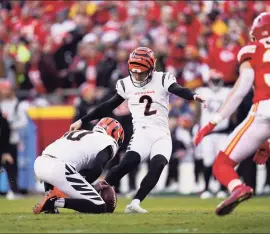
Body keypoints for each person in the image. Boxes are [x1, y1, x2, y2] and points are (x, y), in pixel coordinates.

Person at [70, 47, 205, 213]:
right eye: (135, 72)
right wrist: (82, 120)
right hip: (142, 132)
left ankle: (135, 202)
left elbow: (178, 89)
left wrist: (193, 95)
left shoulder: (162, 79)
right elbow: (108, 106)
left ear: (152, 68)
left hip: (162, 133)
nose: (137, 76)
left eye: (141, 73)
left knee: (158, 165)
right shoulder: (126, 83)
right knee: (127, 163)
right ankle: (96, 189)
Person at [194, 12, 270, 221]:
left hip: (263, 110)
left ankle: (238, 187)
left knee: (222, 164)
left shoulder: (253, 49)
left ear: (258, 33)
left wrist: (213, 122)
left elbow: (242, 87)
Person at [33, 117, 124, 214]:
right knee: (99, 206)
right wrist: (90, 186)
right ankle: (55, 202)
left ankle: (50, 202)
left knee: (61, 168)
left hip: (40, 163)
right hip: (59, 168)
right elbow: (97, 167)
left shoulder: (80, 133)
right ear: (116, 135)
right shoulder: (108, 141)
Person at [194, 70, 233, 199]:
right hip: (207, 133)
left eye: (217, 80)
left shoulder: (227, 92)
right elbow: (197, 112)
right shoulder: (203, 92)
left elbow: (234, 113)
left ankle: (222, 188)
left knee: (221, 161)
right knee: (208, 161)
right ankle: (206, 188)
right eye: (214, 80)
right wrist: (195, 128)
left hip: (223, 132)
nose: (216, 83)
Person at [0, 79, 28, 199]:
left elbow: (23, 122)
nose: (4, 91)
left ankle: (14, 190)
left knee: (11, 168)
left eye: (6, 88)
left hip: (11, 140)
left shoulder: (16, 104)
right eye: (2, 88)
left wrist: (10, 126)